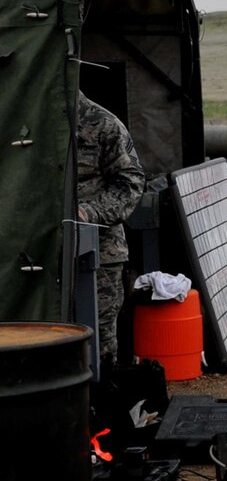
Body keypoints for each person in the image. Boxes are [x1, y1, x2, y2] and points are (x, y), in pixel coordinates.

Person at [75, 96, 146, 364]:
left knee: (98, 340)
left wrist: (88, 213)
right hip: (36, 257)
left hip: (98, 254)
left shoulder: (101, 123)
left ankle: (98, 398)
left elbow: (131, 182)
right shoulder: (27, 119)